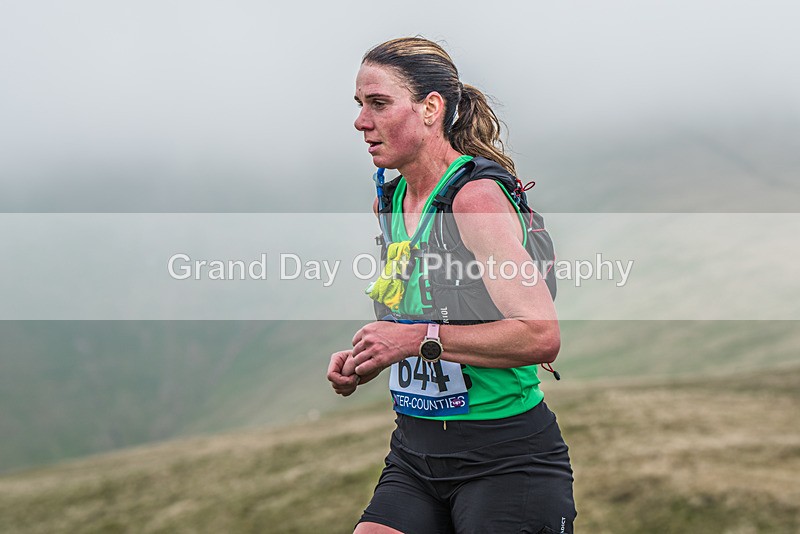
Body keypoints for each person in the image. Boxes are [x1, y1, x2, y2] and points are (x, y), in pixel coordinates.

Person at [327, 37, 576, 534]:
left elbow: (540, 334)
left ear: (430, 109)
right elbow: (419, 315)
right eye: (359, 105)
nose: (361, 121)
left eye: (378, 103)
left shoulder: (474, 199)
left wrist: (414, 339)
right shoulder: (391, 200)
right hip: (415, 456)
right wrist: (376, 354)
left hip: (507, 461)